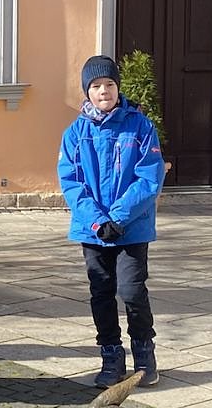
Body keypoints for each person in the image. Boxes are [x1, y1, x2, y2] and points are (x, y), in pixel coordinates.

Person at [58, 55, 165, 388]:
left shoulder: (140, 127)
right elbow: (71, 182)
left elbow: (149, 177)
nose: (103, 91)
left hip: (131, 228)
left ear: (118, 88)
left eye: (109, 84)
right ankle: (111, 356)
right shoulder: (75, 133)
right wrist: (97, 222)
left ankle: (144, 354)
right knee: (101, 293)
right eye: (95, 86)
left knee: (132, 291)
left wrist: (118, 217)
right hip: (93, 231)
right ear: (87, 92)